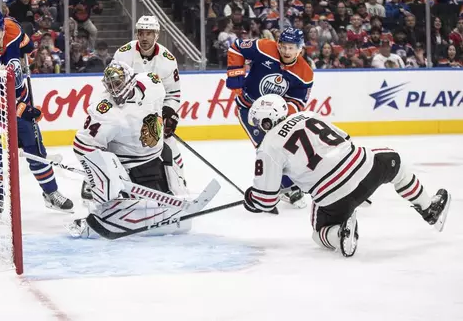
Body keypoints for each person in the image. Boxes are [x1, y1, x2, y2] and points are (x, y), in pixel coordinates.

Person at [242, 94, 451, 257]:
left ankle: (339, 234)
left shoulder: (267, 146)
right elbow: (346, 140)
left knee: (318, 233)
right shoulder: (308, 115)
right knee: (396, 164)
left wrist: (251, 199)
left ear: (262, 122)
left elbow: (266, 200)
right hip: (365, 170)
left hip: (333, 199)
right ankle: (429, 209)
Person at [68, 62, 206, 238]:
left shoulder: (152, 83)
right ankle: (107, 204)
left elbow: (165, 100)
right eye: (109, 85)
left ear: (130, 79)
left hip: (157, 156)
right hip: (130, 167)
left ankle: (175, 192)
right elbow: (82, 144)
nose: (114, 89)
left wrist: (167, 112)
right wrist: (103, 174)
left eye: (117, 83)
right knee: (141, 203)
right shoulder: (105, 112)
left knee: (173, 187)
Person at [0, 8, 74, 214]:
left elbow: (26, 44)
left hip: (19, 97)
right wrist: (22, 110)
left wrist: (27, 49)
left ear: (2, 29)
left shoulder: (12, 29)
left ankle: (51, 193)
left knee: (35, 146)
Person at [226, 27, 313, 208]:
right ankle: (281, 186)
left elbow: (298, 101)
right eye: (283, 46)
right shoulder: (265, 47)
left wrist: (284, 113)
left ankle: (288, 182)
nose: (286, 51)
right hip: (249, 108)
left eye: (291, 48)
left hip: (277, 116)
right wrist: (236, 75)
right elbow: (236, 47)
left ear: (300, 48)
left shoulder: (305, 72)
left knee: (287, 148)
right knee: (265, 148)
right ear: (278, 44)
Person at [101, 15, 184, 199]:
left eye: (149, 33)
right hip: (126, 115)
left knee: (171, 148)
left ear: (157, 35)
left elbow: (174, 95)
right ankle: (99, 188)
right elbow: (111, 86)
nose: (144, 37)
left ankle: (179, 189)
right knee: (107, 146)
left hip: (152, 117)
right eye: (141, 33)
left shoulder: (168, 60)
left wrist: (169, 114)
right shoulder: (123, 54)